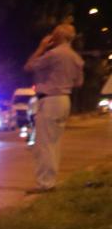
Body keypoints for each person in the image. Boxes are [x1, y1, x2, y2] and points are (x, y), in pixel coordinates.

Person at [24, 23, 84, 193]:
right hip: (64, 100)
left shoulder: (53, 54)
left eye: (54, 34)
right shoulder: (76, 57)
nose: (52, 36)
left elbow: (29, 66)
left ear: (59, 36)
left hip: (50, 100)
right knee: (54, 143)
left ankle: (45, 184)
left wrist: (41, 47)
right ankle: (50, 180)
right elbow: (79, 82)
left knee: (44, 144)